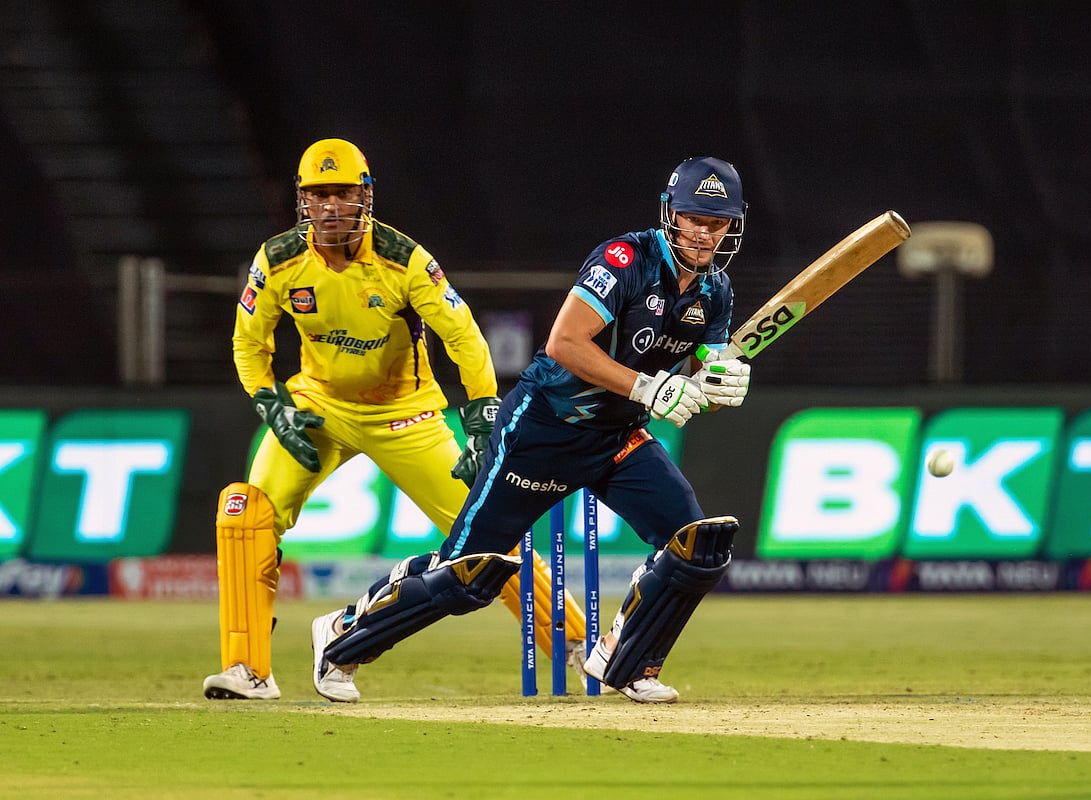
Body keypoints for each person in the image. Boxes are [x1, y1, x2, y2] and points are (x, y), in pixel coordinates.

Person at [310, 156, 752, 703]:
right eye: (694, 218)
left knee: (696, 545)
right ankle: (342, 636)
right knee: (468, 578)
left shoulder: (717, 292)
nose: (705, 234)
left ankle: (626, 660)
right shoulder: (625, 259)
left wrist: (717, 387)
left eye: (717, 223)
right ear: (670, 214)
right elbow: (564, 344)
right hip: (542, 430)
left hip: (616, 439)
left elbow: (696, 376)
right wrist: (646, 388)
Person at [202, 138, 590, 702]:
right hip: (317, 408)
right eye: (319, 194)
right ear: (302, 201)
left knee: (488, 528)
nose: (331, 206)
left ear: (366, 196)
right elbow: (248, 342)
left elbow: (465, 338)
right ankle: (246, 670)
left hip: (403, 414)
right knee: (244, 512)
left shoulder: (404, 260)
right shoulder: (279, 260)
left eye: (344, 193)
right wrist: (271, 406)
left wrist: (481, 418)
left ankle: (579, 648)